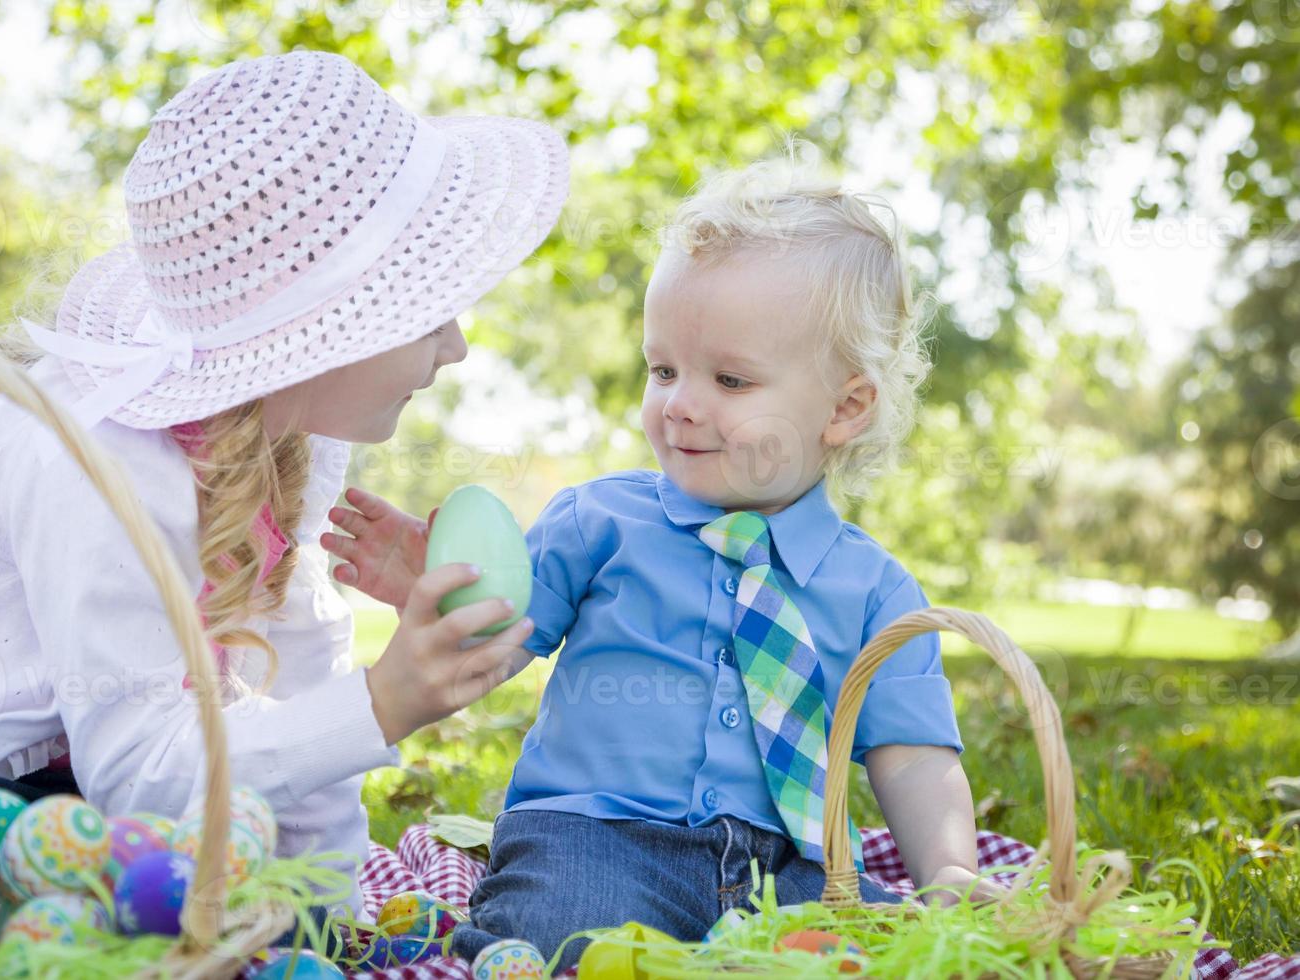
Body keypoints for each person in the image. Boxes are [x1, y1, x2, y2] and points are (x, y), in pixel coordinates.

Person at [0, 48, 567, 917]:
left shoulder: (293, 436)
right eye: (423, 313)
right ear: (322, 333)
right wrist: (383, 702)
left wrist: (331, 915)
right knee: (130, 893)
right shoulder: (96, 456)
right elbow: (142, 775)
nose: (457, 348)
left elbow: (300, 677)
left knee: (219, 885)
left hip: (50, 790)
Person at [324, 147, 999, 965]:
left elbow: (916, 757)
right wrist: (446, 597)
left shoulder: (876, 590)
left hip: (786, 864)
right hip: (595, 836)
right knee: (560, 937)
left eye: (731, 381)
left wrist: (951, 869)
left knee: (901, 953)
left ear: (845, 407)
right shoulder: (600, 520)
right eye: (664, 369)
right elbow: (494, 648)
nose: (680, 405)